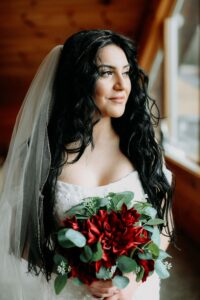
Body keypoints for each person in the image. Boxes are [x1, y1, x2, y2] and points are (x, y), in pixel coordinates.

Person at [0, 29, 174, 300]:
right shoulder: (44, 156)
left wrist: (131, 279)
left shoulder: (143, 147)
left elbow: (165, 226)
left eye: (126, 72)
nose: (122, 84)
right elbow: (21, 243)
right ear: (79, 80)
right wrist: (78, 274)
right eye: (106, 73)